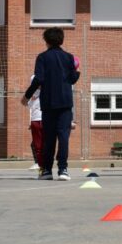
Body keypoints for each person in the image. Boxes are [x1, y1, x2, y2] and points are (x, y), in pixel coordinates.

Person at [21, 27, 80, 181]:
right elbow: (73, 78)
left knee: (49, 138)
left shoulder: (42, 57)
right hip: (65, 103)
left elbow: (38, 79)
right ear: (62, 40)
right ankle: (63, 169)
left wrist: (27, 96)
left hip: (48, 103)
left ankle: (47, 170)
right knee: (64, 137)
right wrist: (76, 73)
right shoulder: (69, 57)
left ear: (46, 41)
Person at [27, 76, 43, 174]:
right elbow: (29, 106)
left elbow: (30, 105)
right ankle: (40, 166)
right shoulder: (33, 93)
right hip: (35, 119)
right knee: (36, 145)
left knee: (38, 145)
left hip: (40, 119)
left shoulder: (43, 92)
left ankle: (40, 165)